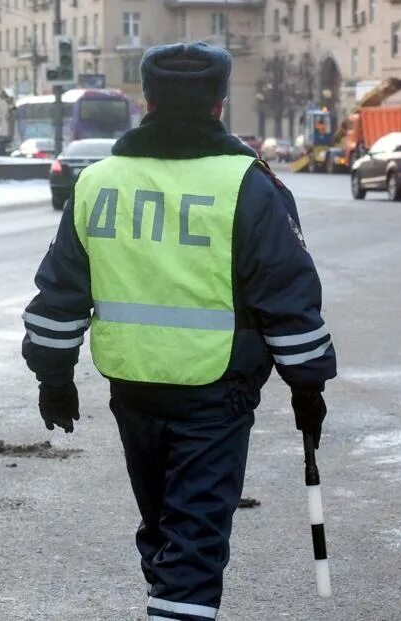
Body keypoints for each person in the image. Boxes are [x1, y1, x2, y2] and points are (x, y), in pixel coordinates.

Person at [21, 41, 337, 619]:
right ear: (220, 104)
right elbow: (288, 296)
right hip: (217, 393)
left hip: (133, 387)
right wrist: (308, 384)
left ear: (148, 100)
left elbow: (61, 291)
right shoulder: (249, 185)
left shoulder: (97, 182)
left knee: (165, 527)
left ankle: (170, 602)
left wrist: (54, 376)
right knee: (192, 540)